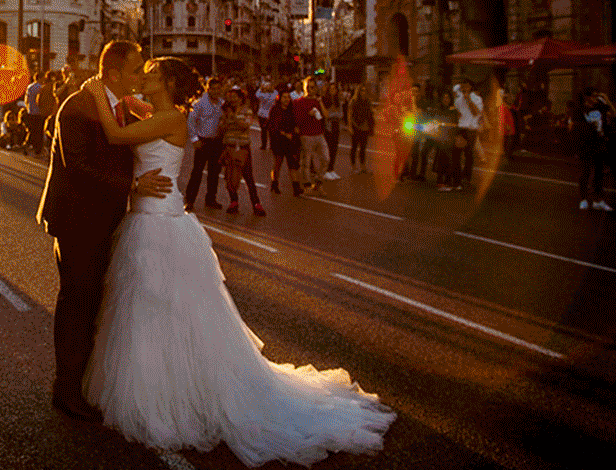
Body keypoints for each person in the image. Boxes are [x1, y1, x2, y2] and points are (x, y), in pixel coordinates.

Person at [78, 56, 395, 467]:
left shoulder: (171, 118)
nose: (143, 77)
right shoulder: (156, 112)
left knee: (165, 310)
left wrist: (93, 91)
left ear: (168, 83)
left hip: (159, 222)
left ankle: (173, 397)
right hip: (148, 216)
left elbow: (117, 135)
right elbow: (133, 112)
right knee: (149, 312)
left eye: (151, 74)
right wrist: (120, 97)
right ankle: (164, 387)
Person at [36, 40, 172, 423]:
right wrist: (132, 186)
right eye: (134, 70)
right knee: (78, 302)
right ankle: (65, 389)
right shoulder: (78, 106)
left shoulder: (122, 106)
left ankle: (81, 383)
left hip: (107, 219)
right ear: (112, 74)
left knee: (94, 302)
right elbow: (77, 165)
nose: (141, 76)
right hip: (77, 220)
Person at [218, 87, 265, 215]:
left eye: (234, 96)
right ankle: (234, 201)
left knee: (248, 177)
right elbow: (221, 126)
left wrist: (233, 118)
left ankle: (256, 203)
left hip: (243, 147)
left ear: (240, 98)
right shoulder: (225, 111)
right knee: (229, 176)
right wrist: (226, 121)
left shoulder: (247, 111)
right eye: (230, 96)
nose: (232, 99)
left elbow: (245, 125)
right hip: (229, 146)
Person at [183, 76, 225, 211]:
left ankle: (211, 199)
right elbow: (191, 121)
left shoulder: (222, 104)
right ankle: (189, 200)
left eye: (219, 88)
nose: (216, 91)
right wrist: (194, 139)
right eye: (214, 88)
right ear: (208, 89)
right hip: (203, 141)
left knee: (214, 173)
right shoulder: (199, 103)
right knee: (197, 172)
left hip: (216, 142)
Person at [570, 88, 614, 211]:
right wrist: (588, 126)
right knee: (585, 172)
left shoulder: (600, 107)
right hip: (585, 145)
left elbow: (614, 114)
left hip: (598, 144)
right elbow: (574, 126)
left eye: (596, 96)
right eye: (592, 96)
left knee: (599, 174)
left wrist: (606, 99)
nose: (595, 98)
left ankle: (598, 200)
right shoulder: (579, 110)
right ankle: (583, 199)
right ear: (586, 97)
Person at [292, 77, 329, 195]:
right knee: (307, 162)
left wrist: (320, 102)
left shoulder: (318, 100)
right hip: (306, 135)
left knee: (326, 158)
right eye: (308, 87)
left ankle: (318, 181)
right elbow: (297, 120)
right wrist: (308, 114)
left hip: (319, 133)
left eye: (313, 87)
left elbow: (326, 115)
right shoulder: (299, 102)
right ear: (304, 88)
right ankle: (307, 184)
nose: (310, 90)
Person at [266, 88, 302, 196]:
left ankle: (296, 187)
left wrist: (295, 132)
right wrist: (285, 134)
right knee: (278, 163)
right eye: (284, 97)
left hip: (291, 142)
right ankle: (274, 183)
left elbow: (296, 124)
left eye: (288, 97)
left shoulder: (292, 110)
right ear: (280, 98)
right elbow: (273, 126)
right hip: (278, 141)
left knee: (292, 164)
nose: (287, 99)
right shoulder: (275, 110)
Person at [453, 77, 483, 189]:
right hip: (461, 128)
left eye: (464, 85)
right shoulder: (458, 99)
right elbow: (458, 113)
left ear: (470, 87)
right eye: (461, 86)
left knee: (468, 155)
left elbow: (476, 113)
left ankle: (466, 178)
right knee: (456, 154)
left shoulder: (477, 99)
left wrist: (468, 99)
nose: (462, 88)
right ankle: (457, 178)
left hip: (471, 129)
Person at [432, 89, 460, 191]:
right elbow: (435, 122)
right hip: (440, 139)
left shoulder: (453, 110)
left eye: (447, 97)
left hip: (450, 139)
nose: (445, 99)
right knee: (440, 161)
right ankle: (440, 182)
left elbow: (455, 124)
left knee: (449, 162)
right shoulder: (439, 109)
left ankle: (448, 182)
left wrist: (444, 125)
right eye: (444, 97)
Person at [347, 83, 375, 173]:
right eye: (362, 90)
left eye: (365, 90)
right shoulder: (354, 101)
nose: (363, 92)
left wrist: (372, 126)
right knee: (354, 147)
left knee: (363, 148)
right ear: (359, 92)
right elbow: (349, 114)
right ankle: (354, 166)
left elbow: (370, 114)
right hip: (356, 126)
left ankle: (363, 167)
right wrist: (350, 126)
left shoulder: (367, 101)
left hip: (365, 128)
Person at [322, 81, 343, 179]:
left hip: (336, 125)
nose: (333, 91)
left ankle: (331, 169)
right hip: (328, 126)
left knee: (334, 148)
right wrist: (333, 114)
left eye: (334, 89)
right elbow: (326, 115)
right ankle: (326, 170)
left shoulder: (338, 100)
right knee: (328, 149)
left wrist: (333, 114)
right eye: (331, 89)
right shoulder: (325, 100)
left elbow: (341, 114)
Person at [24, 72, 46, 155]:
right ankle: (38, 149)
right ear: (40, 78)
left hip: (31, 112)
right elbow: (42, 101)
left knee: (32, 131)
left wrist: (28, 108)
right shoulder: (41, 88)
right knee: (39, 132)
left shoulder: (30, 87)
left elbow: (27, 99)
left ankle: (27, 144)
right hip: (39, 113)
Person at [254, 80, 278, 151]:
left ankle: (271, 145)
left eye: (269, 86)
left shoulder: (274, 93)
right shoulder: (262, 94)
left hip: (271, 115)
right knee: (264, 131)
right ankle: (264, 145)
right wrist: (261, 89)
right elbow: (257, 95)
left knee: (271, 131)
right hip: (262, 114)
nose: (268, 88)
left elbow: (276, 99)